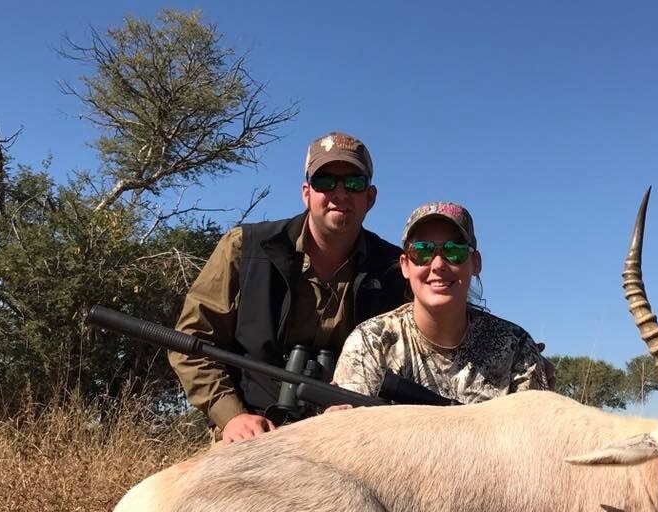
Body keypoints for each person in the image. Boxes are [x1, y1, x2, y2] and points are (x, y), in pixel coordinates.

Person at [169, 132, 406, 443]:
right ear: (306, 193)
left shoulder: (399, 269)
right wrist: (231, 416)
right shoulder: (245, 247)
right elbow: (190, 342)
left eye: (353, 183)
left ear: (370, 197)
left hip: (354, 436)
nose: (339, 193)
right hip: (252, 432)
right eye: (324, 182)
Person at [332, 201, 552, 404]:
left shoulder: (516, 348)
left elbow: (535, 437)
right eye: (422, 251)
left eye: (453, 251)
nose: (438, 264)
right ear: (405, 265)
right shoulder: (371, 342)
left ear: (475, 263)